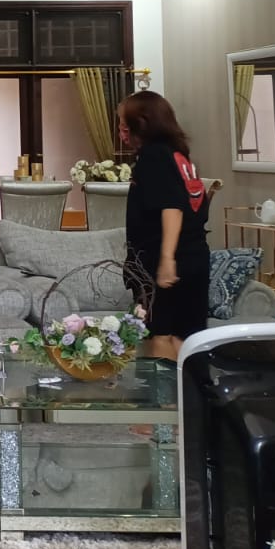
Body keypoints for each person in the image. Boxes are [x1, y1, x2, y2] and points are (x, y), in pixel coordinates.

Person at [118, 90, 210, 360]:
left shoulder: (154, 156)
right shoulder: (178, 155)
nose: (122, 134)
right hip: (194, 255)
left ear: (141, 124)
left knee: (160, 335)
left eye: (124, 126)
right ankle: (193, 384)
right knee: (185, 335)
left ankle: (171, 388)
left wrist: (167, 260)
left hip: (167, 258)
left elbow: (172, 207)